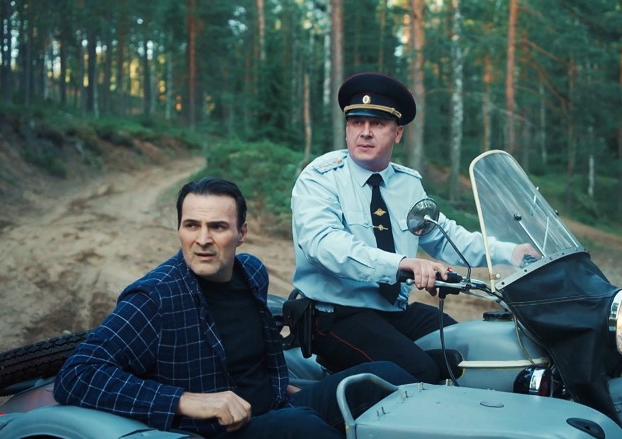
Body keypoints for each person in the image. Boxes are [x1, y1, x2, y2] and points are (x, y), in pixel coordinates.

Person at [53, 176, 415, 438]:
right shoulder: (155, 298)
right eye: (191, 225)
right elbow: (78, 374)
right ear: (179, 229)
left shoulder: (251, 273)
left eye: (218, 227)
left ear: (241, 232)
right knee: (301, 427)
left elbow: (254, 357)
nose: (203, 240)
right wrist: (188, 401)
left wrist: (281, 386)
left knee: (387, 376)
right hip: (217, 431)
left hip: (276, 408)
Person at [290, 72, 537, 384]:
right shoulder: (321, 177)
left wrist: (510, 252)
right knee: (420, 372)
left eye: (377, 124)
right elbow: (324, 245)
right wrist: (402, 264)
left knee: (470, 347)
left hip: (392, 311)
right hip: (334, 314)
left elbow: (445, 236)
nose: (365, 133)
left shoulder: (406, 184)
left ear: (397, 133)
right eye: (356, 122)